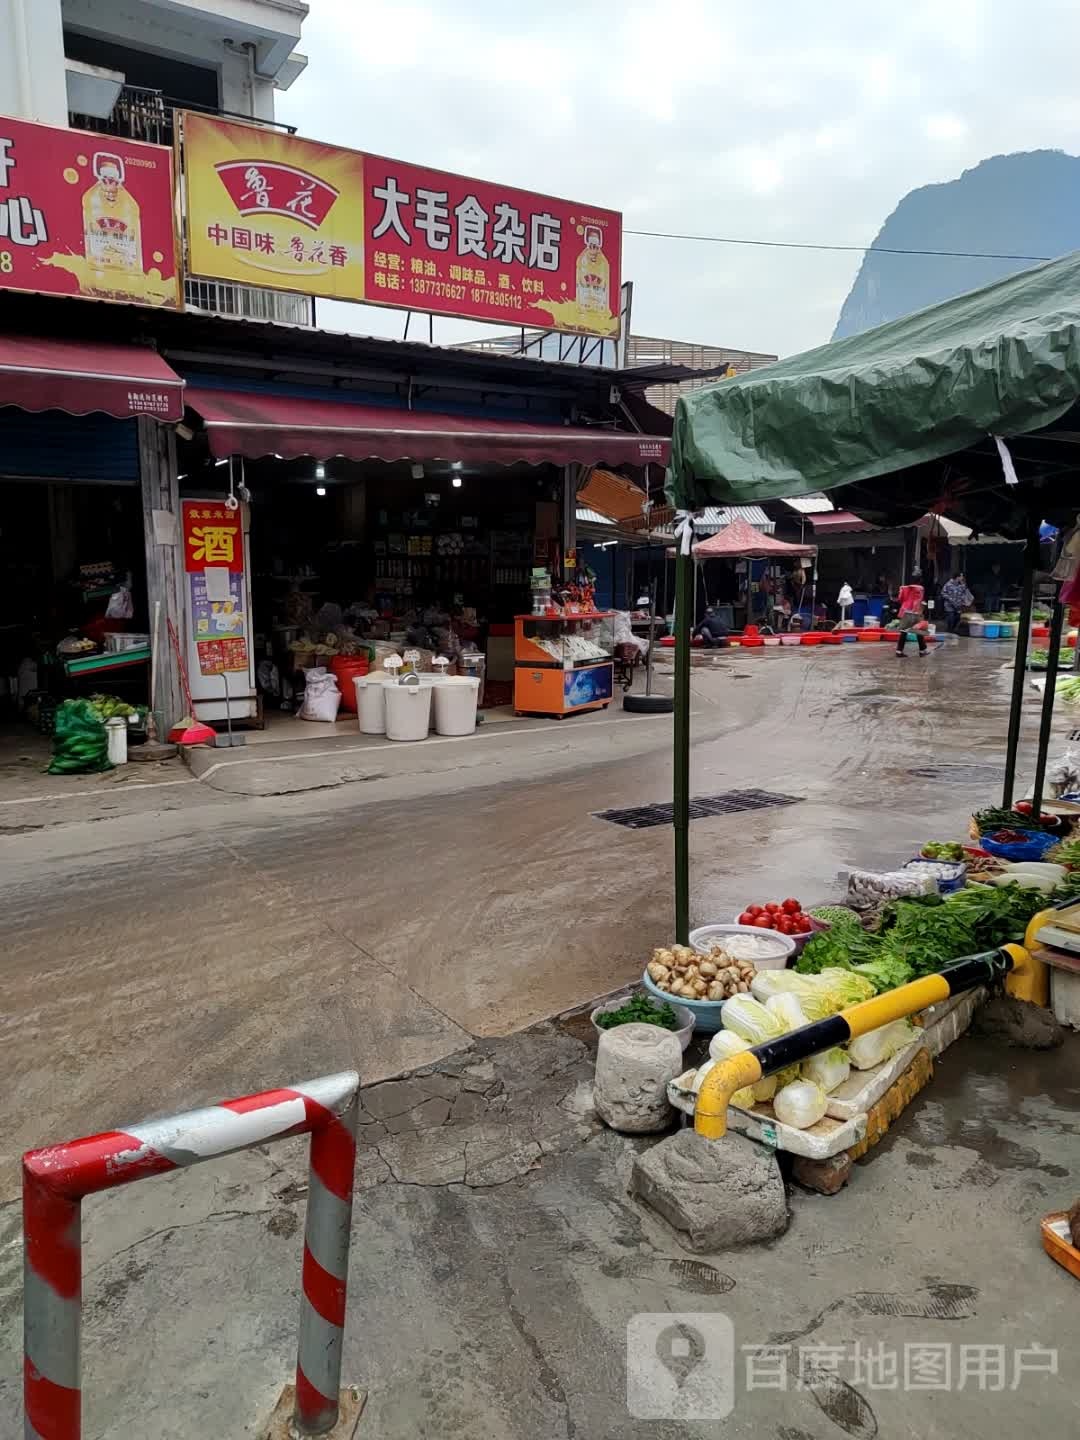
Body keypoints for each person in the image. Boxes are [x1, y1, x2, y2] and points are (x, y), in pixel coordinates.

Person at [895, 575, 928, 656]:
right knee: (918, 630)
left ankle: (899, 651)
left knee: (904, 632)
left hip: (904, 610)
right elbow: (920, 599)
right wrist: (921, 609)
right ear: (920, 581)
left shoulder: (904, 588)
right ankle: (922, 651)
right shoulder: (920, 588)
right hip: (914, 611)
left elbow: (900, 599)